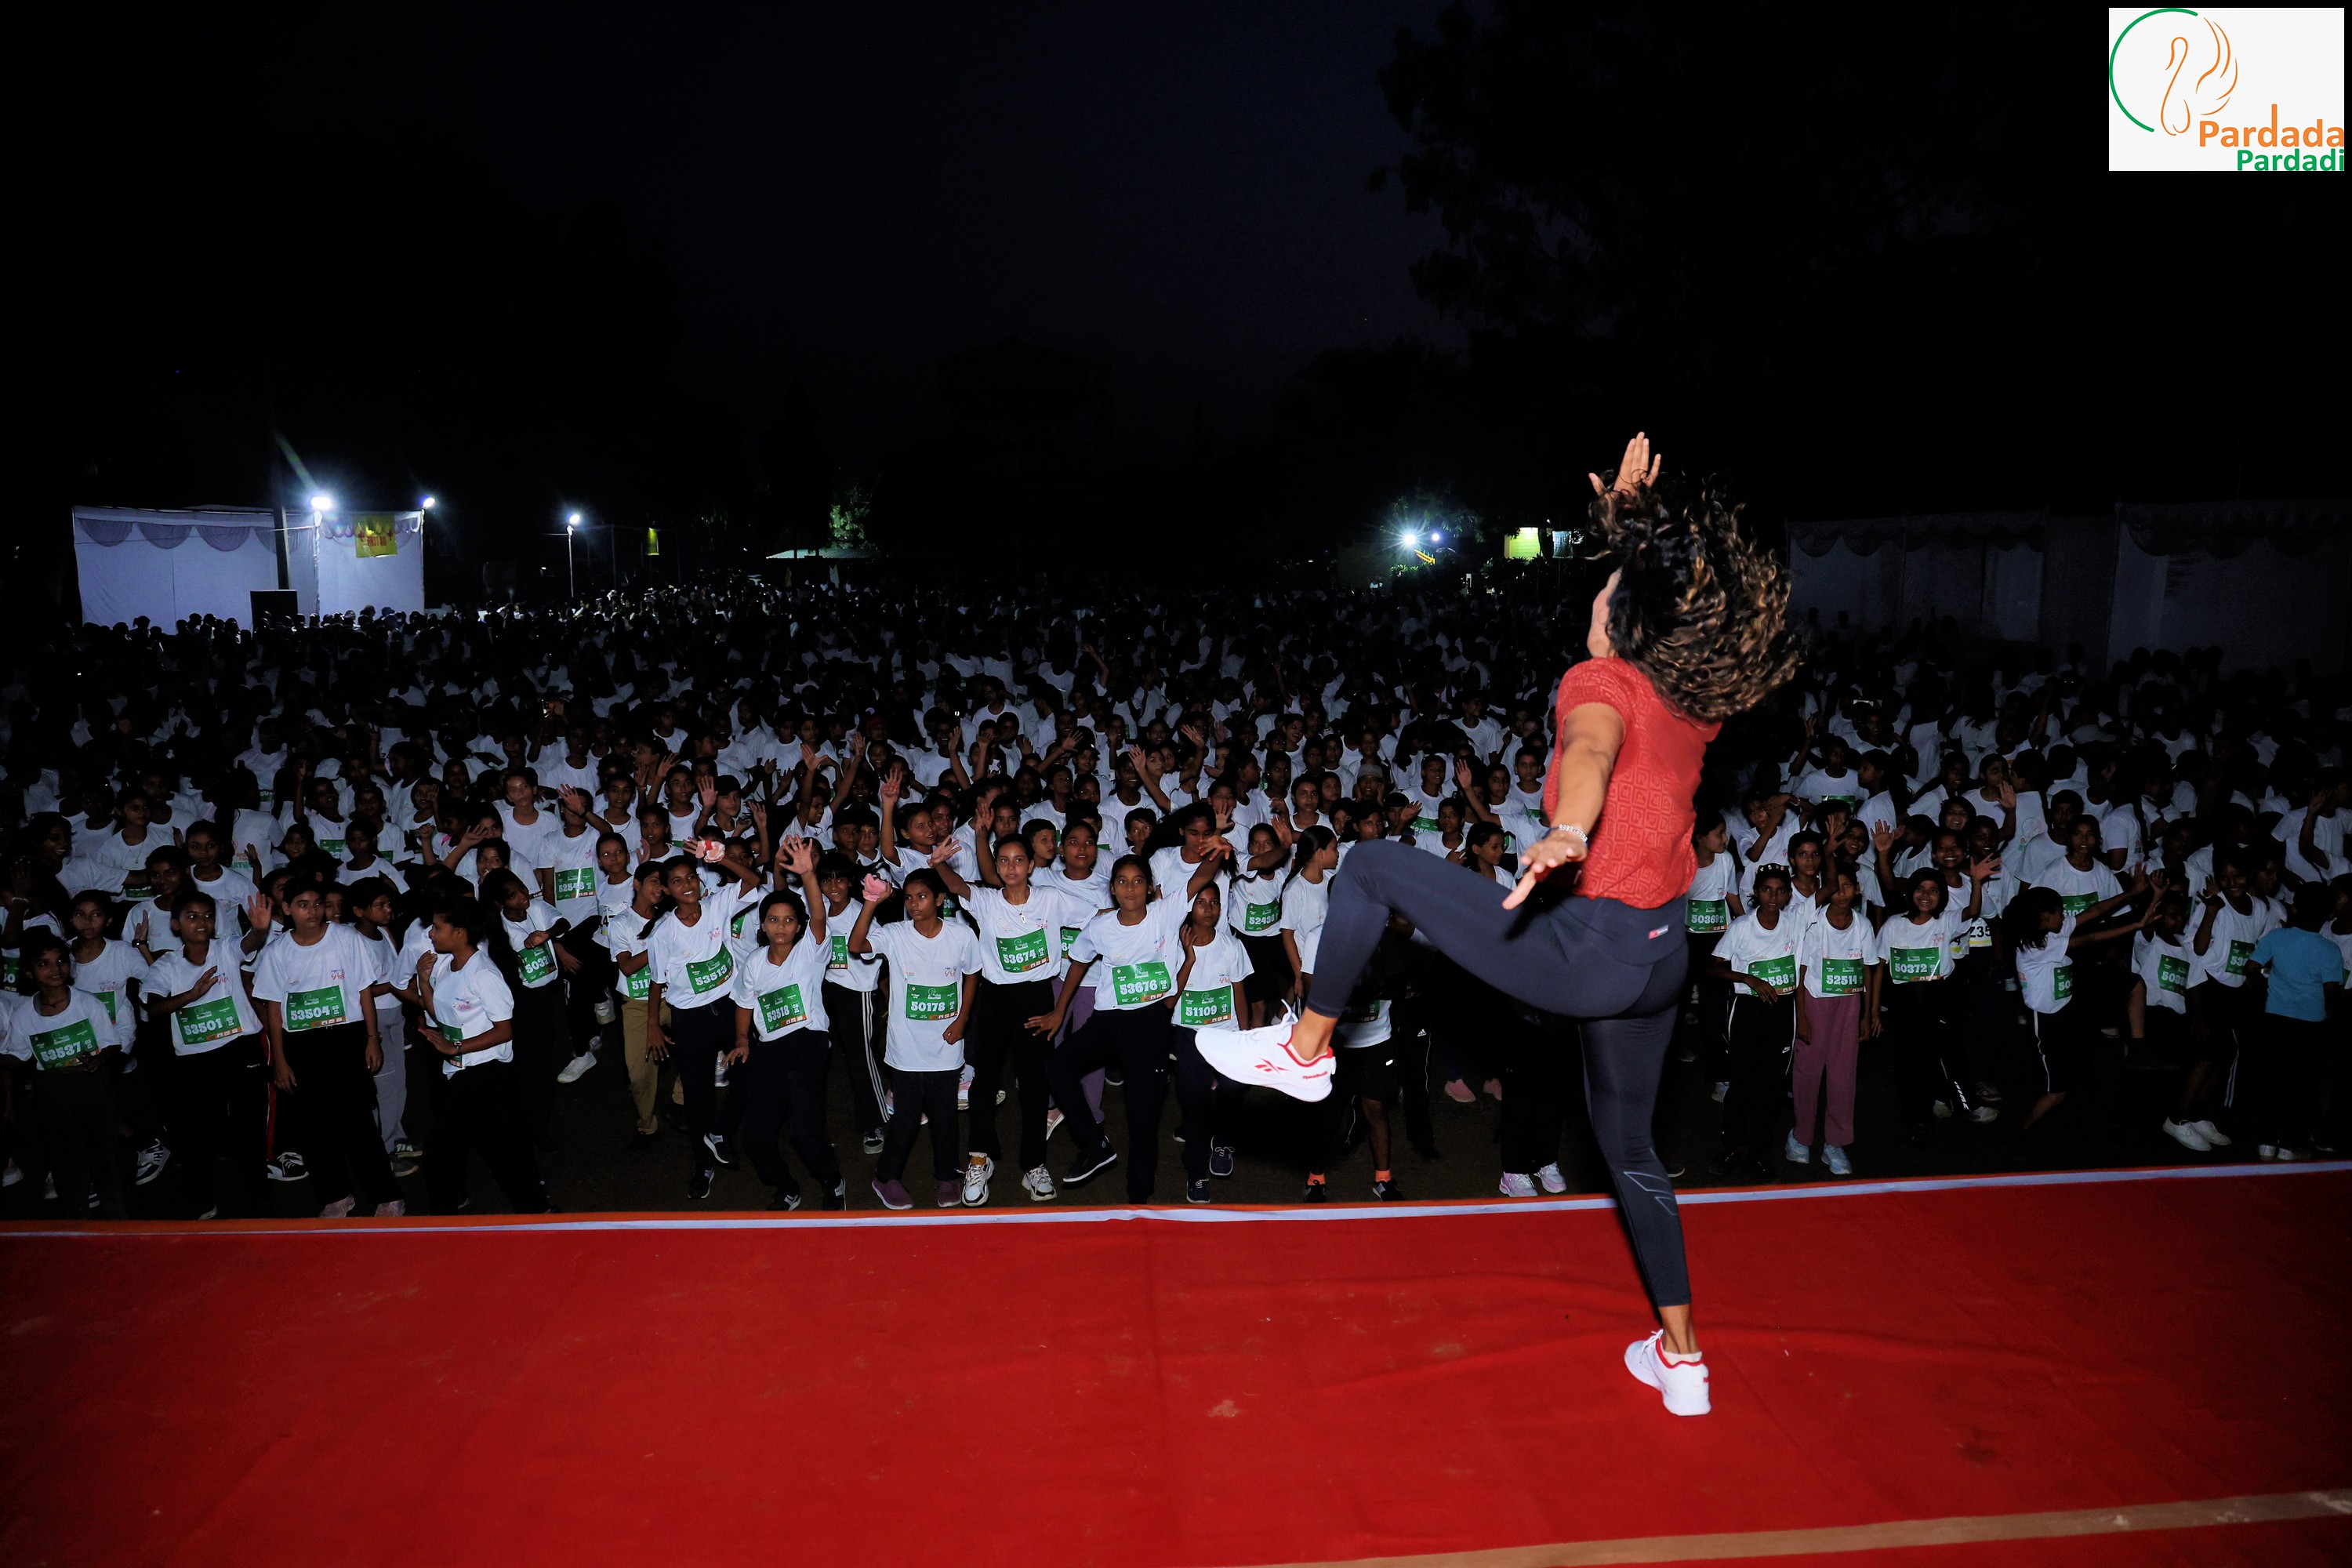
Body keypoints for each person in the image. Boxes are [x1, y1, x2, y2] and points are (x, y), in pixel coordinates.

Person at [1196, 433, 1801, 1417]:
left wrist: (1570, 828)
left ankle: (1304, 1049)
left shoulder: (1597, 682)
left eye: (1608, 591)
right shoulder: (1691, 702)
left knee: (1371, 865)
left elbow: (1591, 751)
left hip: (1594, 949)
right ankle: (1683, 1359)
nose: (1597, 595)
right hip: (1662, 958)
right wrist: (1635, 528)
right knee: (1630, 1150)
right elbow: (1653, 614)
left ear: (1619, 623)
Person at [249, 877, 404, 1218]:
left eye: (318, 904)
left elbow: (364, 992)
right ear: (287, 909)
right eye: (303, 905)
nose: (313, 912)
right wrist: (280, 1060)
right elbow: (273, 1008)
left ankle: (386, 1194)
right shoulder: (277, 952)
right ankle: (336, 1195)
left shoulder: (346, 938)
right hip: (302, 1044)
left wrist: (372, 1039)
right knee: (315, 1127)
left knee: (359, 1122)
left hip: (346, 1039)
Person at [848, 867, 982, 1210]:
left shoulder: (961, 936)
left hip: (946, 1046)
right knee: (905, 1119)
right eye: (908, 898)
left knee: (945, 1117)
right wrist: (871, 902)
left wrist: (962, 1019)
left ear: (939, 899)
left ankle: (947, 1176)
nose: (914, 904)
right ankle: (885, 1177)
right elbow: (856, 945)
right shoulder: (895, 934)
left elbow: (972, 974)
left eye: (922, 896)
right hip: (905, 1048)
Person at [725, 838, 843, 1209]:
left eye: (789, 920)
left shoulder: (811, 952)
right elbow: (744, 1004)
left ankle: (833, 1181)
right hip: (769, 1051)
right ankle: (786, 1187)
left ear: (798, 927)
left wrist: (808, 874)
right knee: (756, 1138)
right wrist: (742, 1040)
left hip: (808, 1044)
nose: (781, 926)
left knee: (804, 1132)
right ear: (762, 926)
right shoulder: (754, 962)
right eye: (773, 920)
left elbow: (819, 917)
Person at [414, 894, 547, 1214]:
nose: (431, 933)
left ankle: (442, 1222)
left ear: (460, 933)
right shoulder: (447, 965)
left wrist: (455, 1047)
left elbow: (505, 1030)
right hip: (461, 1070)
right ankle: (537, 1210)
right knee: (500, 1147)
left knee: (441, 1151)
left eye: (437, 927)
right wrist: (423, 980)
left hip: (486, 1073)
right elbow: (440, 1013)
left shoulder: (484, 974)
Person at [2, 930, 133, 1218]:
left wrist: (99, 1060)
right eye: (44, 963)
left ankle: (118, 1222)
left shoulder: (86, 1003)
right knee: (66, 1161)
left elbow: (111, 1043)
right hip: (52, 1093)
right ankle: (76, 1224)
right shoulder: (24, 1015)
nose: (55, 969)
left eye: (61, 960)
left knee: (104, 1157)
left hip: (92, 1086)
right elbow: (18, 1057)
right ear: (29, 972)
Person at [2244, 885, 2343, 1161]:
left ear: (2295, 908)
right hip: (2311, 1024)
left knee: (2272, 1079)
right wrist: (2333, 1015)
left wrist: (2268, 987)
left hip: (2275, 1018)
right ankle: (2289, 1146)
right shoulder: (2330, 950)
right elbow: (2331, 992)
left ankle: (2266, 1143)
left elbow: (2250, 968)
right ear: (2329, 915)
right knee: (2301, 1085)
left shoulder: (2277, 937)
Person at [1790, 867, 1871, 1174]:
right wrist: (1802, 1017)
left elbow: (1868, 967)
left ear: (1858, 890)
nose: (1841, 891)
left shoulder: (1862, 925)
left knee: (1843, 1074)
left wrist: (1868, 1014)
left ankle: (1835, 1143)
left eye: (1848, 885)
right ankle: (1801, 1136)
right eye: (1835, 886)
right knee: (1808, 1072)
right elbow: (1801, 971)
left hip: (1849, 1004)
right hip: (1815, 1003)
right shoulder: (1814, 923)